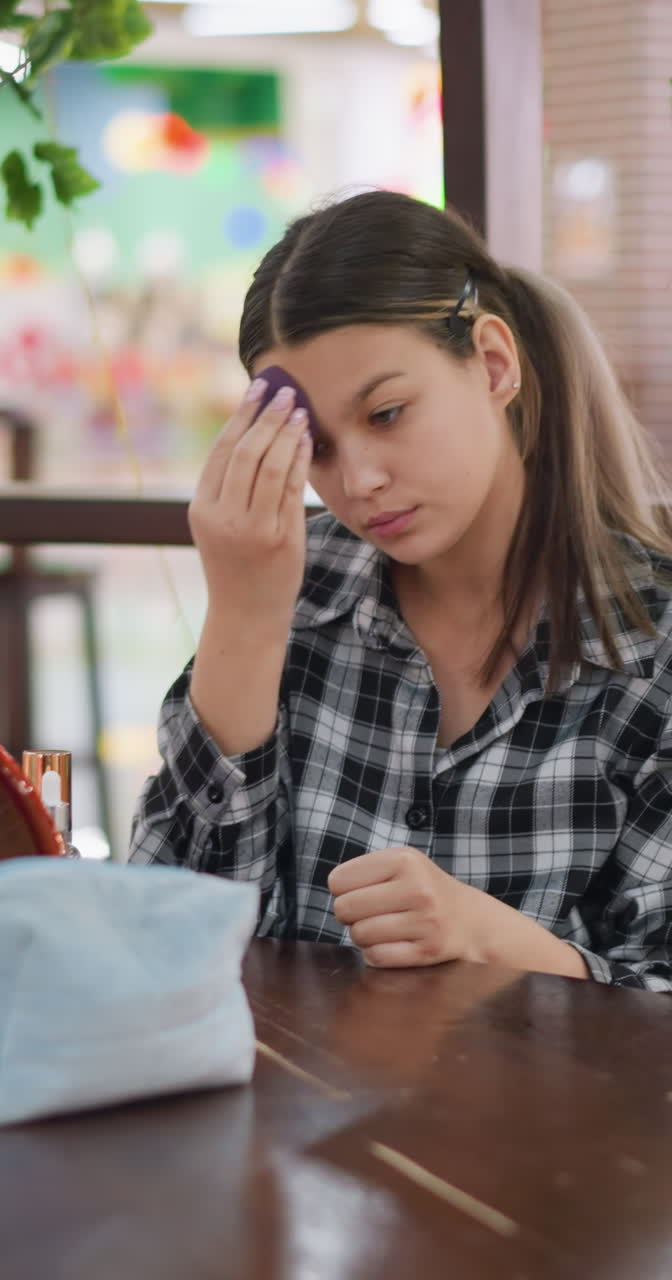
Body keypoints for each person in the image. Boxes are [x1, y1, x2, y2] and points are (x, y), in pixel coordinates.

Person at [130, 190, 672, 992]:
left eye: (386, 414)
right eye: (314, 447)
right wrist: (244, 619)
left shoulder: (652, 646)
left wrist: (496, 942)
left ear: (494, 364)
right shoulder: (289, 590)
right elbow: (163, 944)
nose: (358, 481)